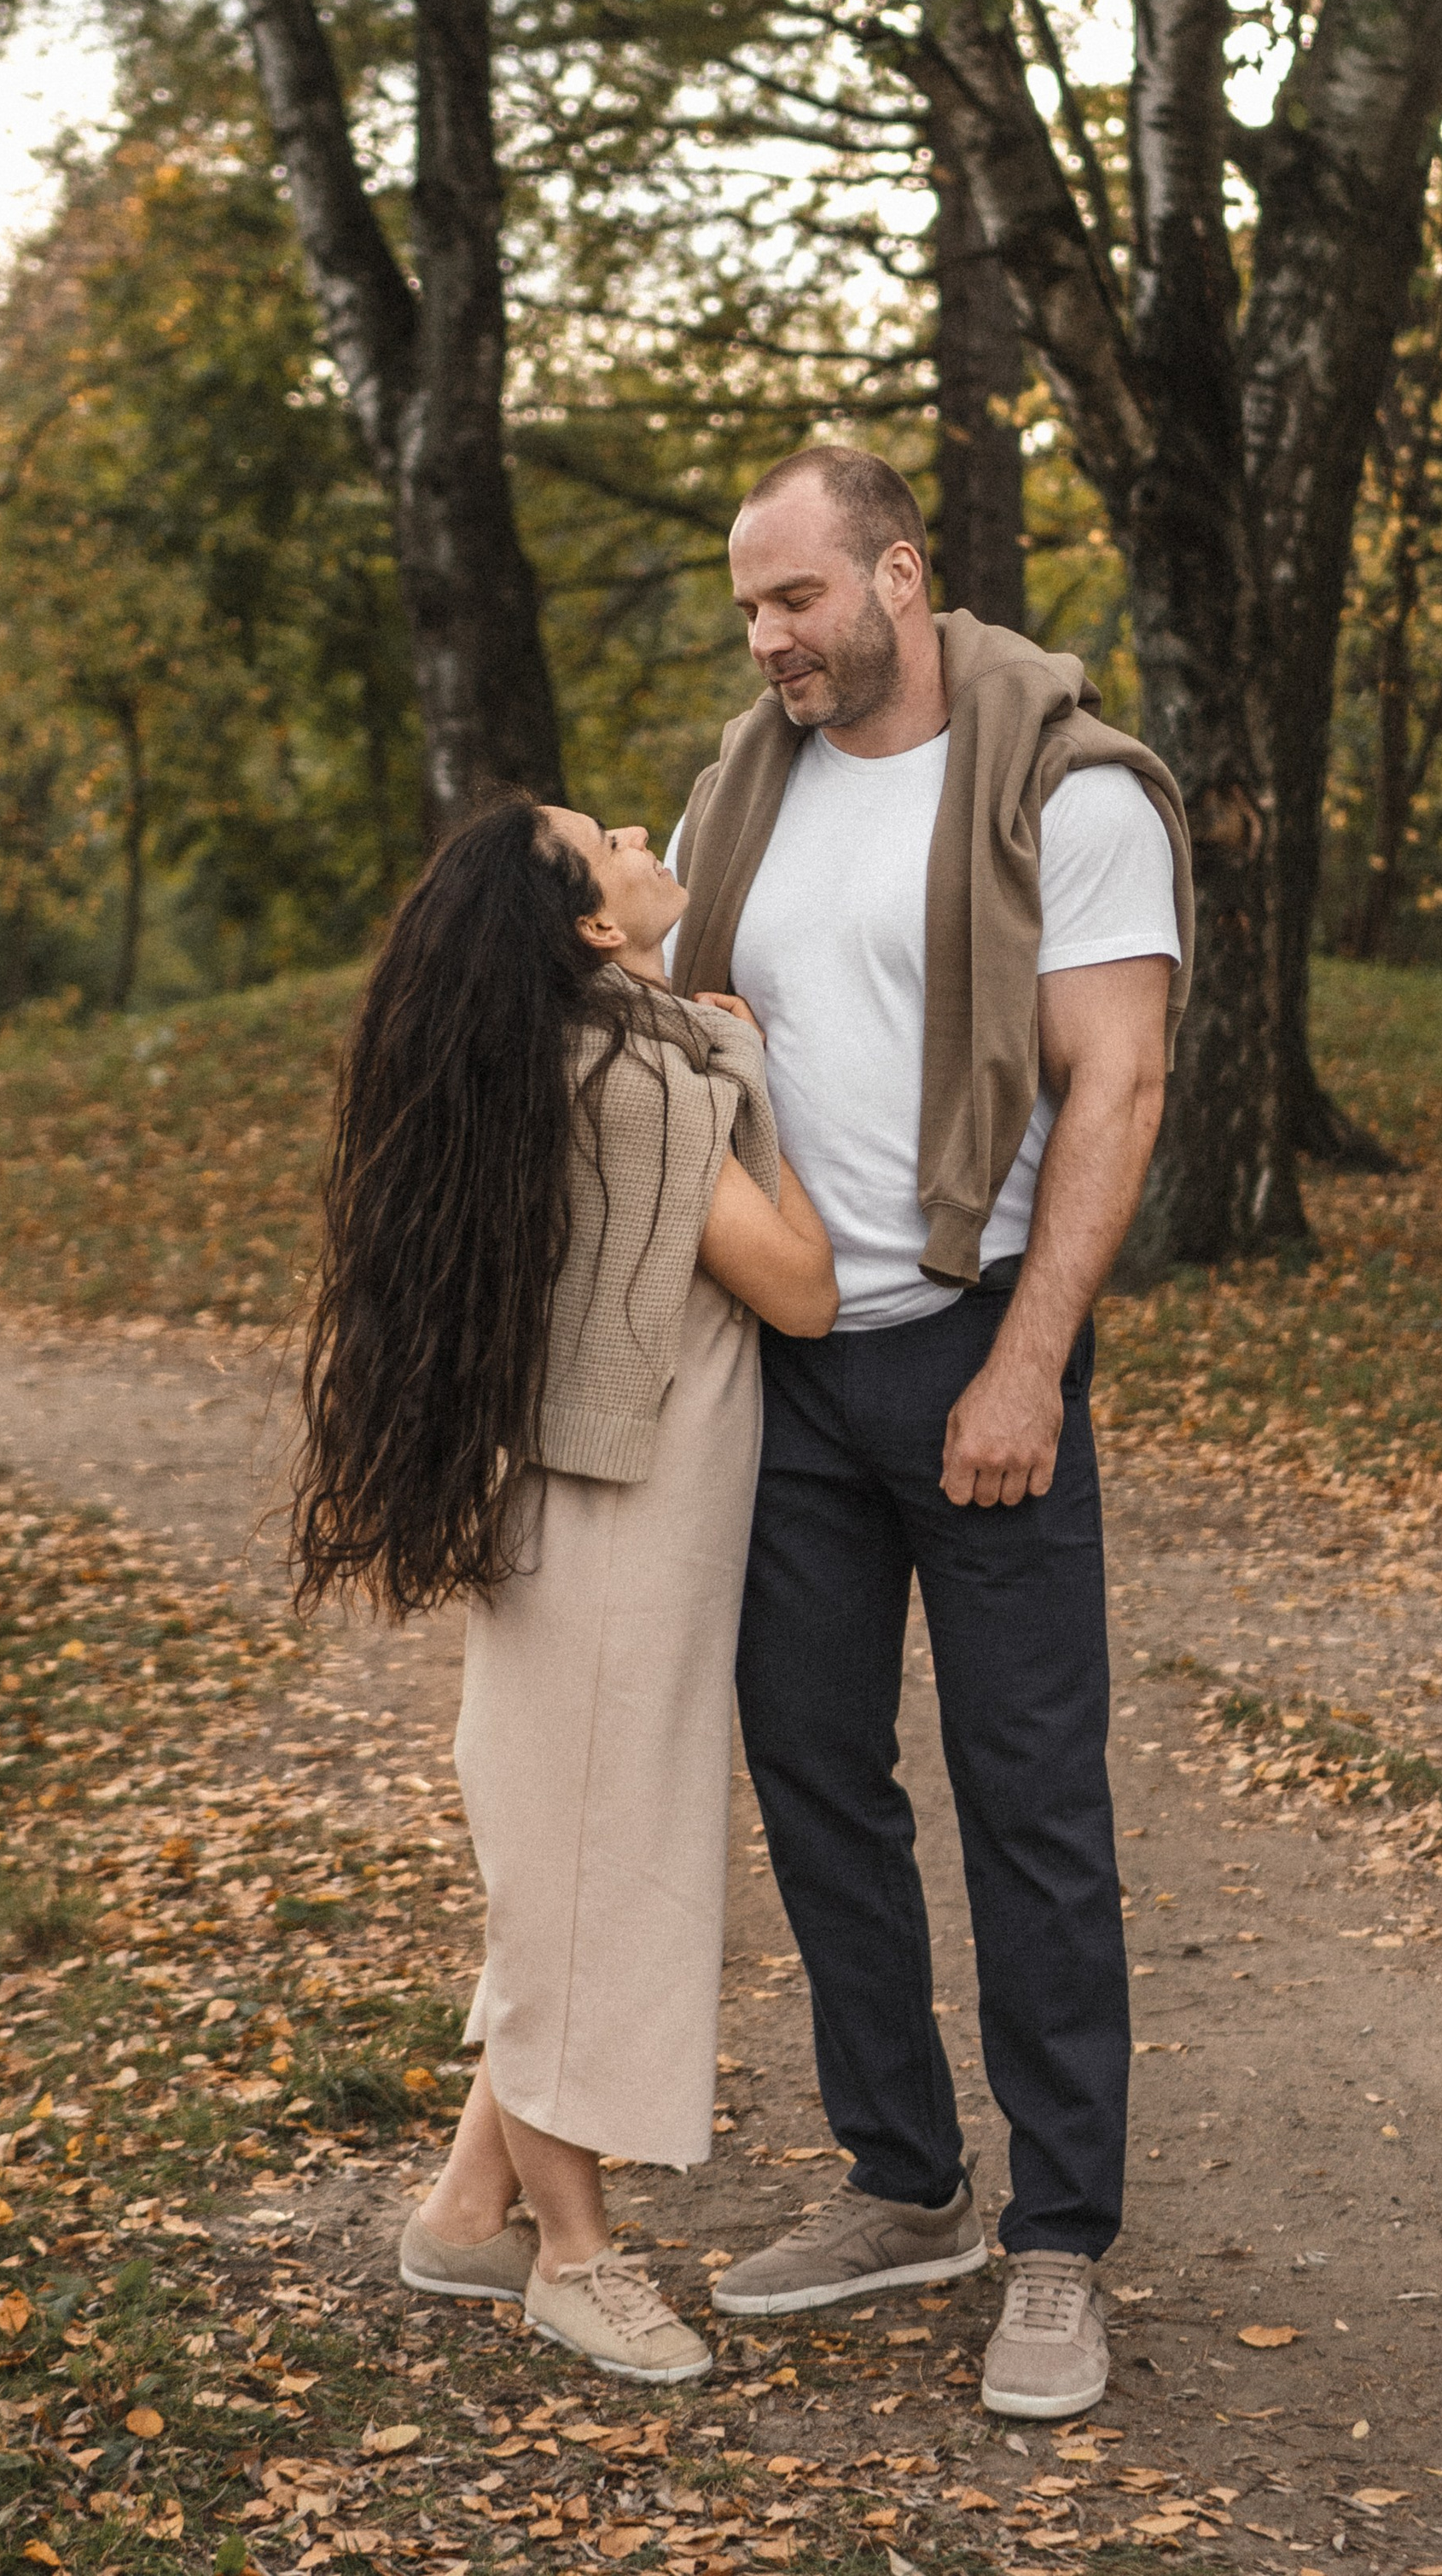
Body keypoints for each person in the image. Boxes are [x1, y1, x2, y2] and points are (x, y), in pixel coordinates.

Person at [666, 446, 1192, 2422]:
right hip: (788, 1362)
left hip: (978, 1350)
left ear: (898, 572)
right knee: (813, 1774)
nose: (768, 638)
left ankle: (1057, 2236)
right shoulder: (746, 790)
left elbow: (1116, 1087)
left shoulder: (1070, 788)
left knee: (1031, 1804)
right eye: (745, 607)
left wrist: (1026, 1362)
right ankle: (907, 2180)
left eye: (795, 597)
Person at [289, 796, 836, 2385]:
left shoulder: (610, 1046)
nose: (632, 825)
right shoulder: (630, 1080)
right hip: (619, 1525)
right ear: (596, 925)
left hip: (608, 1514)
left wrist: (705, 1045)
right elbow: (798, 1291)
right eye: (602, 836)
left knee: (576, 1860)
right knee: (580, 1882)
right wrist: (749, 1077)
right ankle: (577, 2261)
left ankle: (471, 2212)